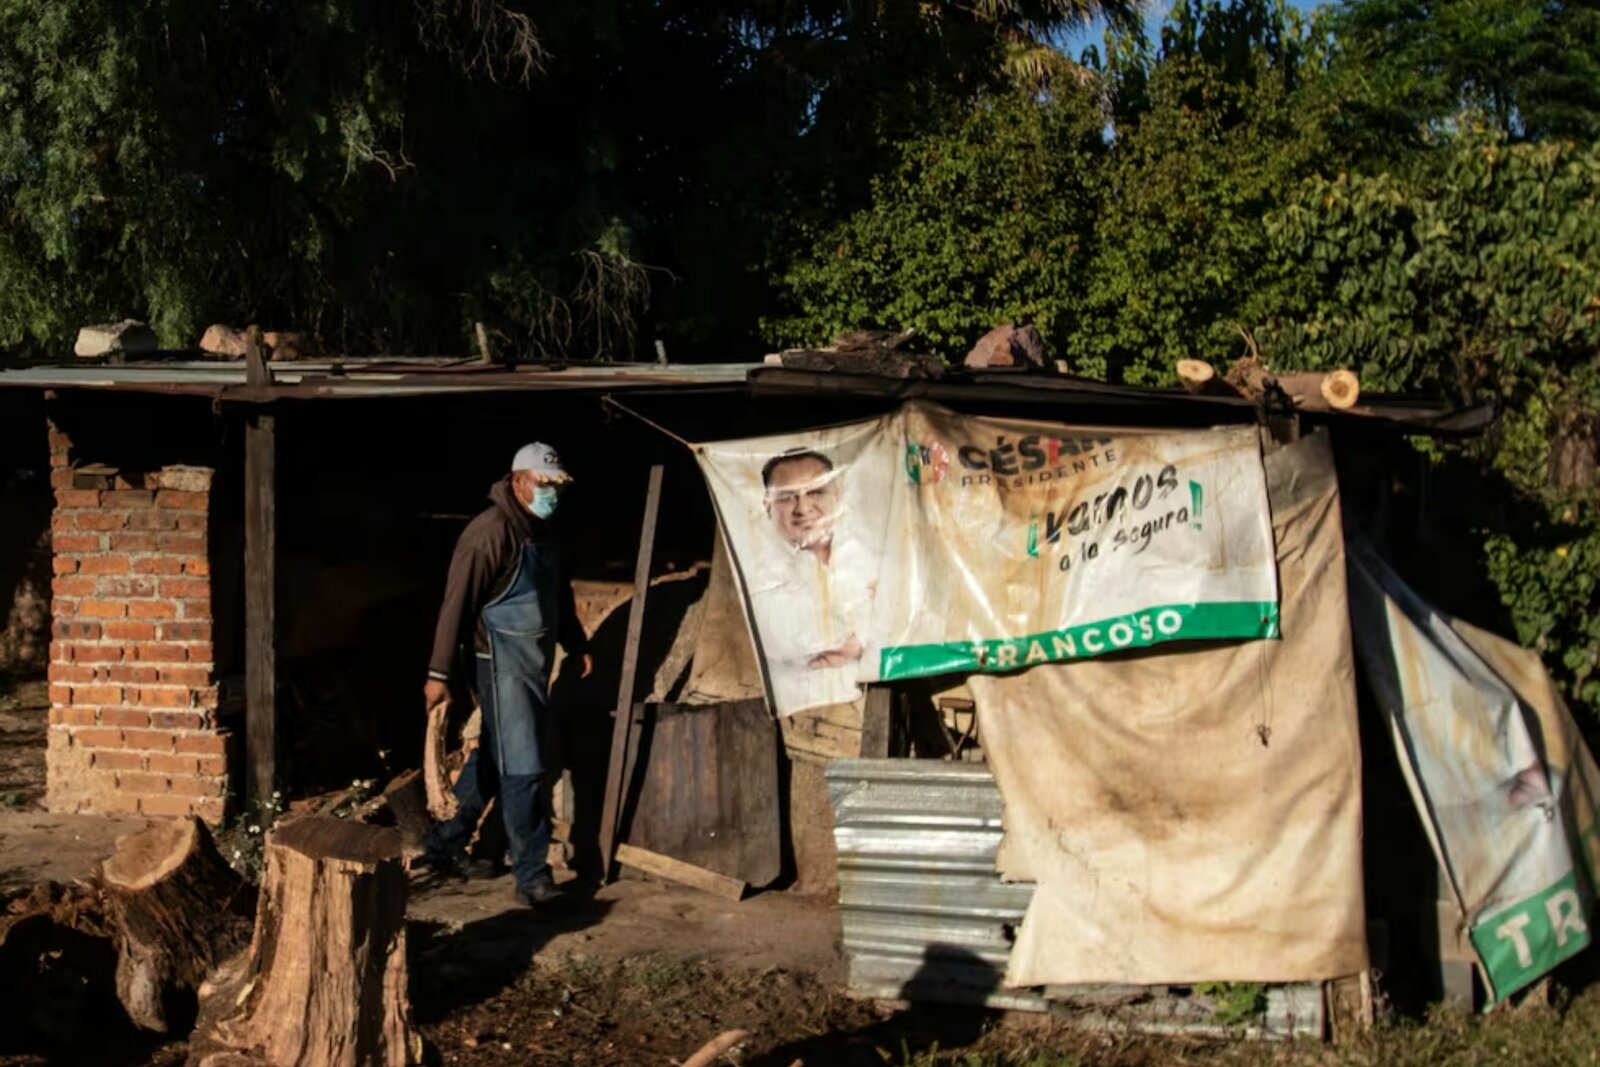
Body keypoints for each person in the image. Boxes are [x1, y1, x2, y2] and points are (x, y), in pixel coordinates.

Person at [421, 442, 593, 907]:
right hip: (497, 664)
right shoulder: (488, 534)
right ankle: (532, 876)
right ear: (518, 482)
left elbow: (557, 593)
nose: (553, 493)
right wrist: (439, 673)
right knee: (524, 764)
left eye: (558, 486)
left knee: (496, 758)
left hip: (533, 662)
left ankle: (443, 845)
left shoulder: (543, 531)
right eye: (544, 484)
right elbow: (455, 605)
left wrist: (575, 643)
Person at [750, 449, 871, 711]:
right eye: (787, 497)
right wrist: (858, 641)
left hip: (876, 703)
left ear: (837, 495)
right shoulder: (758, 578)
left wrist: (858, 642)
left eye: (815, 492)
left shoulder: (871, 560)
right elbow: (784, 646)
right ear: (768, 506)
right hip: (801, 713)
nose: (803, 508)